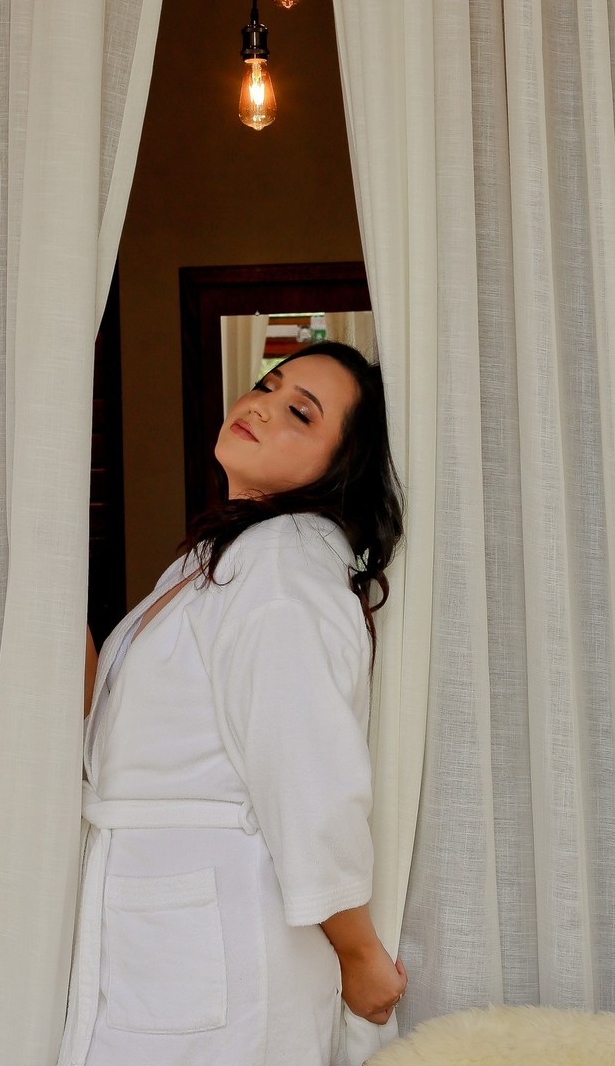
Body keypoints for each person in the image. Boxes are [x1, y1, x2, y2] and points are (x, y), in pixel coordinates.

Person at [60, 341, 407, 1066]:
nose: (261, 406)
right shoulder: (220, 556)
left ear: (343, 464)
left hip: (221, 934)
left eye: (300, 413)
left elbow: (306, 771)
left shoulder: (284, 564)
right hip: (162, 932)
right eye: (267, 385)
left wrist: (358, 954)